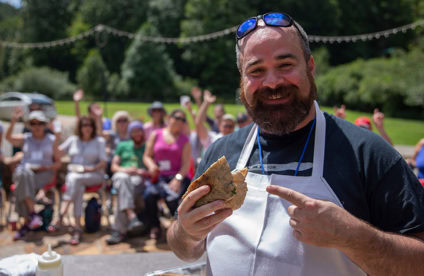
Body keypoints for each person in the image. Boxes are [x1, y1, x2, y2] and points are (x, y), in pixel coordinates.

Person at [167, 12, 424, 275]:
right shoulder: (220, 153)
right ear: (242, 81)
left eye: (285, 65)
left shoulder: (368, 155)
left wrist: (353, 237)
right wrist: (186, 233)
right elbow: (183, 248)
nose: (272, 82)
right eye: (256, 70)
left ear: (310, 67)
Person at [50, 116, 107, 245]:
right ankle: (77, 228)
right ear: (79, 127)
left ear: (93, 127)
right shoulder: (73, 140)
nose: (87, 128)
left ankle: (60, 216)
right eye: (84, 125)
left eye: (89, 125)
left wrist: (89, 169)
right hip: (75, 178)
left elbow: (103, 163)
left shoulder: (99, 141)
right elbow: (57, 154)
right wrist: (57, 137)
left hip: (94, 175)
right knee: (77, 184)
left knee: (75, 179)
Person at [6, 108, 61, 240]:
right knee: (23, 174)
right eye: (33, 123)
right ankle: (32, 214)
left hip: (44, 174)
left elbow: (58, 163)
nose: (36, 127)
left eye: (39, 123)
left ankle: (26, 222)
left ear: (45, 125)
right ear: (29, 125)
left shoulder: (52, 139)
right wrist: (13, 121)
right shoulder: (26, 138)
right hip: (26, 174)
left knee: (21, 181)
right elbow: (8, 138)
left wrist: (45, 167)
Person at [143, 109, 192, 239]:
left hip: (176, 176)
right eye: (177, 118)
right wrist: (151, 165)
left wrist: (178, 179)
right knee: (149, 195)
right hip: (158, 176)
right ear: (169, 118)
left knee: (173, 197)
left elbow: (186, 164)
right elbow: (147, 156)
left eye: (183, 120)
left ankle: (178, 228)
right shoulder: (156, 134)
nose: (180, 121)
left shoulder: (184, 140)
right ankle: (155, 226)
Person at [106, 121, 148, 245]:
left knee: (121, 191)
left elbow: (152, 168)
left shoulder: (147, 147)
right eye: (134, 131)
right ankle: (131, 216)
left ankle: (118, 231)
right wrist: (126, 170)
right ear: (130, 133)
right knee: (122, 179)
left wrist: (140, 171)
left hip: (139, 179)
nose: (137, 134)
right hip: (122, 175)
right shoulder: (122, 145)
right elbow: (114, 167)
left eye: (139, 130)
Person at [105, 111, 131, 176]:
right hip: (113, 161)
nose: (122, 123)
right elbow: (98, 133)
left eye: (124, 120)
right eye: (119, 121)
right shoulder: (111, 135)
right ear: (115, 123)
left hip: (128, 160)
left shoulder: (132, 135)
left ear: (128, 122)